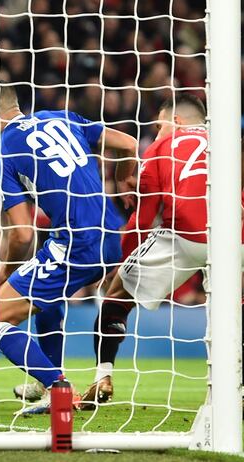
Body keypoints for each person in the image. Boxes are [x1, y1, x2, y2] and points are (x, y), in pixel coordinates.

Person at [0, 81, 138, 414]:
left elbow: (21, 233)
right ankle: (44, 374)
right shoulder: (61, 118)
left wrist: (5, 269)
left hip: (76, 245)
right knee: (47, 299)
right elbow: (129, 144)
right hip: (114, 236)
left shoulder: (2, 150)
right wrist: (122, 180)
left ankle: (57, 386)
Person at [79, 94, 242, 409]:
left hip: (188, 234)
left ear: (176, 121)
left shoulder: (159, 149)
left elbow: (142, 220)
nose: (155, 133)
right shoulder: (227, 140)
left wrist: (118, 259)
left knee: (115, 297)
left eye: (157, 126)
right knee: (235, 309)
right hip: (235, 236)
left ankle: (103, 377)